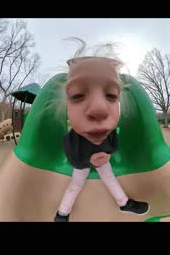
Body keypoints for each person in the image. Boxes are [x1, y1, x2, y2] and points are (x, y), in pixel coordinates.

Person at [54, 41, 149, 222]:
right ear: (67, 107)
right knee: (75, 185)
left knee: (110, 178)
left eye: (111, 95)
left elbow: (113, 143)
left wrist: (107, 154)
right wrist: (87, 160)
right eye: (78, 95)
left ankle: (123, 203)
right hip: (83, 163)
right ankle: (62, 213)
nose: (99, 109)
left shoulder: (109, 131)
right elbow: (72, 156)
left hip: (102, 160)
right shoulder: (72, 138)